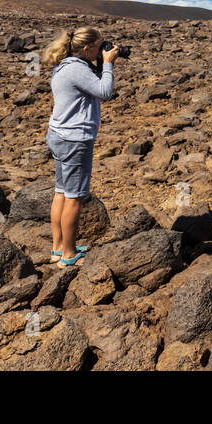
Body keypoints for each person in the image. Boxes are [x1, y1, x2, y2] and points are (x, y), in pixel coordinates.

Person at [40, 26, 122, 265]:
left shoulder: (65, 64)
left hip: (59, 134)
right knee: (74, 198)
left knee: (61, 193)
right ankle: (68, 254)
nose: (102, 50)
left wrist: (100, 61)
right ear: (86, 49)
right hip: (75, 139)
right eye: (98, 47)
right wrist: (108, 64)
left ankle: (58, 246)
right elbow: (105, 91)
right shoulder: (77, 69)